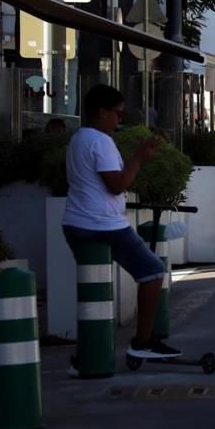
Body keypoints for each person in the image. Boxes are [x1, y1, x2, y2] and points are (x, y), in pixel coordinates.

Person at [61, 84, 177, 360]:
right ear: (101, 113)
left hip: (75, 221)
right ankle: (143, 341)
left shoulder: (78, 138)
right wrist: (138, 159)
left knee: (94, 289)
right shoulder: (101, 141)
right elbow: (117, 184)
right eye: (117, 113)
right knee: (152, 271)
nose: (119, 119)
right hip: (103, 224)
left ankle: (85, 357)